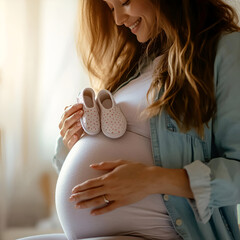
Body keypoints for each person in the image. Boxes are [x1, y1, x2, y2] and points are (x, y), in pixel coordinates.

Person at [20, 0, 240, 239]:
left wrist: (152, 180)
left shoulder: (225, 49)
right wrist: (74, 142)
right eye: (111, 8)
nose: (117, 19)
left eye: (124, 2)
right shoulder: (138, 64)